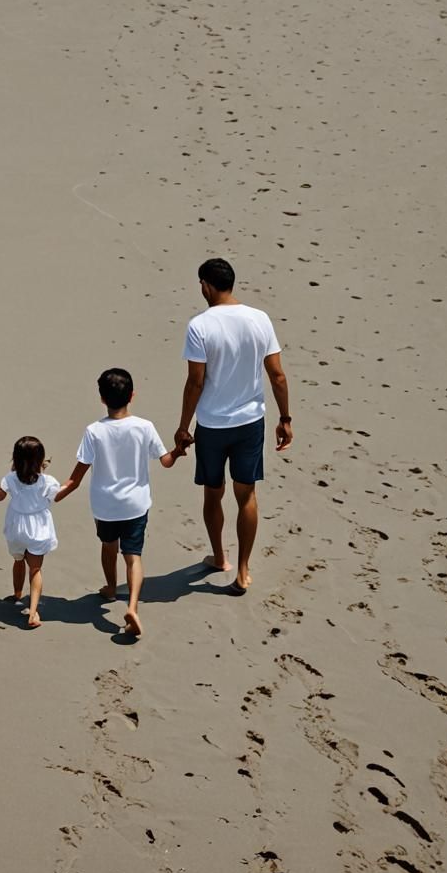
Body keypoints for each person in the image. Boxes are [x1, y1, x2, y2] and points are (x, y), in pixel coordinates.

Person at [174, 258, 292, 595]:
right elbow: (277, 375)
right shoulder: (260, 319)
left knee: (214, 493)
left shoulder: (200, 326)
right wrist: (285, 418)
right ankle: (243, 570)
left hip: (212, 424)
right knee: (247, 494)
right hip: (250, 423)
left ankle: (220, 557)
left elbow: (195, 382)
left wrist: (184, 426)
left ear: (207, 285)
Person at [56, 368, 185, 637]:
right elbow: (166, 461)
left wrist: (54, 495)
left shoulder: (94, 431)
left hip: (105, 505)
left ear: (102, 398)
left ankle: (111, 588)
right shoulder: (144, 427)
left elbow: (77, 477)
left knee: (107, 546)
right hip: (136, 505)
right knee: (133, 556)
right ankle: (133, 607)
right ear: (132, 396)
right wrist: (179, 450)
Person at [0, 436, 61, 629]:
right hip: (39, 529)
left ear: (15, 459)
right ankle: (33, 611)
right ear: (40, 460)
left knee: (18, 560)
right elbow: (57, 496)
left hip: (16, 527)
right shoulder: (48, 481)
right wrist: (73, 484)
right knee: (35, 569)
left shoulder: (10, 479)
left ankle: (17, 593)